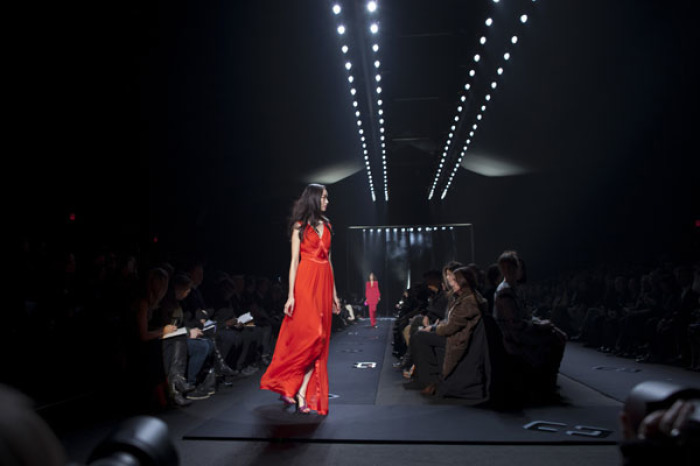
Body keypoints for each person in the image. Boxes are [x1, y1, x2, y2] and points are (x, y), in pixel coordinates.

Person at [260, 184, 341, 415]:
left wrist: (335, 294)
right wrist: (290, 295)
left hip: (324, 283)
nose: (327, 201)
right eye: (324, 197)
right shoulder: (299, 226)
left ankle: (302, 391)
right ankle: (288, 383)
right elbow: (294, 262)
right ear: (315, 199)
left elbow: (330, 261)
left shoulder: (327, 225)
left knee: (321, 341)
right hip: (306, 281)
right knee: (311, 335)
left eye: (327, 197)